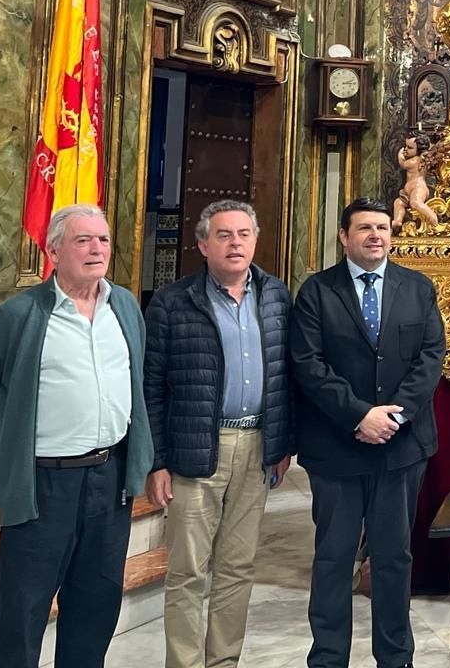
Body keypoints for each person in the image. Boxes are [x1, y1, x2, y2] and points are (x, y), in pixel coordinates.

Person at [0, 203, 153, 668]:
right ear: (53, 251)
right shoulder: (19, 315)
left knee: (97, 603)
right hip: (43, 483)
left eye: (102, 239)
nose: (97, 248)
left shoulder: (123, 305)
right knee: (23, 608)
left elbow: (137, 385)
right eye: (83, 240)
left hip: (109, 476)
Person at [292, 197, 447, 668]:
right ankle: (328, 658)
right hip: (337, 447)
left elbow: (430, 356)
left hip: (400, 449)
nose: (375, 235)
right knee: (334, 558)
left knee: (394, 558)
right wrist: (360, 416)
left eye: (382, 227)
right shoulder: (317, 292)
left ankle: (396, 657)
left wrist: (393, 417)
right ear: (344, 236)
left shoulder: (418, 288)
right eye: (364, 228)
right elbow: (309, 364)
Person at [143, 200, 295, 668]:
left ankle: (223, 661)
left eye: (244, 234)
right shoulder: (173, 301)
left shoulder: (276, 296)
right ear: (203, 244)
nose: (235, 243)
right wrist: (157, 460)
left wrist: (282, 442)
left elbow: (287, 375)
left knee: (236, 568)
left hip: (256, 449)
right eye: (225, 235)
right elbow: (151, 386)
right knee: (188, 571)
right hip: (194, 449)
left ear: (255, 240)